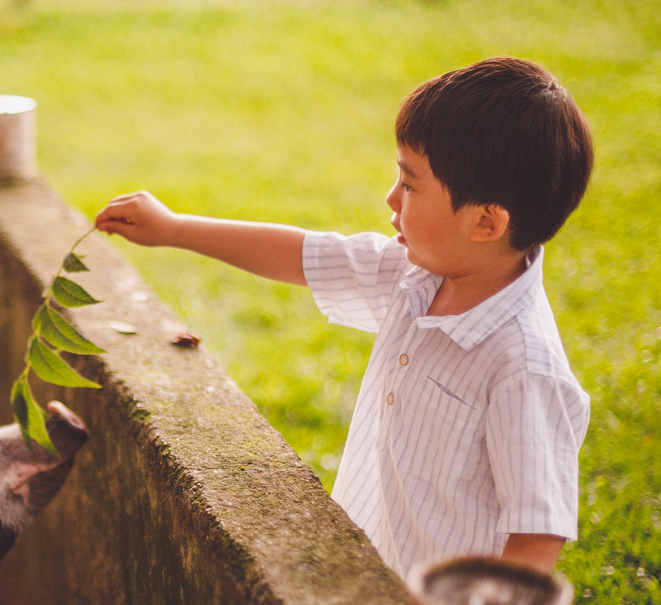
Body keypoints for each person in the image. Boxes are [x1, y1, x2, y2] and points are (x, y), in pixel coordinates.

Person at [94, 57, 593, 578]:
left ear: (486, 222)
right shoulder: (414, 276)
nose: (391, 198)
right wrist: (174, 228)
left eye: (411, 184)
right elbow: (302, 255)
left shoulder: (524, 367)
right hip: (372, 577)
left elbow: (538, 535)